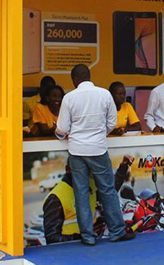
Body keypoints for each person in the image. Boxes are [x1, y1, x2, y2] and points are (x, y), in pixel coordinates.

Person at [55, 64, 135, 245]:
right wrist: (99, 134)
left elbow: (62, 128)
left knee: (81, 193)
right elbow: (112, 123)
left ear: (75, 79)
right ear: (89, 76)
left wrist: (59, 134)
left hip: (77, 151)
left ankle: (88, 236)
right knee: (107, 190)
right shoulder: (104, 94)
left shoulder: (69, 98)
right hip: (98, 150)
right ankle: (117, 231)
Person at [42, 156, 134, 244]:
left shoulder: (90, 185)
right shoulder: (56, 197)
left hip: (93, 242)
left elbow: (108, 193)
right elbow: (52, 238)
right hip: (73, 248)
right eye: (80, 170)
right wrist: (80, 237)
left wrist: (123, 168)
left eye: (87, 170)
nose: (84, 174)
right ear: (68, 169)